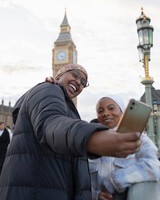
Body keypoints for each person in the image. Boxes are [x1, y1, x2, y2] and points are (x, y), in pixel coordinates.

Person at [0, 64, 141, 200]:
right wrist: (92, 138)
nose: (78, 82)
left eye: (83, 83)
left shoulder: (66, 107)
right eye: (75, 75)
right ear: (60, 74)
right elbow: (51, 123)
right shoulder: (49, 89)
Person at [89, 95, 160, 200]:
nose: (105, 113)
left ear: (122, 113)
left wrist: (113, 182)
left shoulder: (140, 139)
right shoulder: (91, 142)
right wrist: (95, 195)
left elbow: (153, 167)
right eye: (100, 111)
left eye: (111, 108)